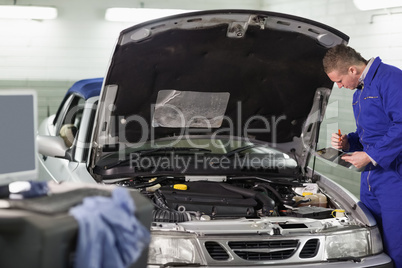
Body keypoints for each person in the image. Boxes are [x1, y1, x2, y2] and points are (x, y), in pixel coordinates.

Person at [323, 44, 402, 267]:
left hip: (395, 179)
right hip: (370, 180)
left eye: (338, 81)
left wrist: (371, 156)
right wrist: (349, 141)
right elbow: (370, 133)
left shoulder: (391, 79)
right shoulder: (360, 90)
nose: (338, 87)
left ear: (352, 70)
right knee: (371, 243)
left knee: (397, 246)